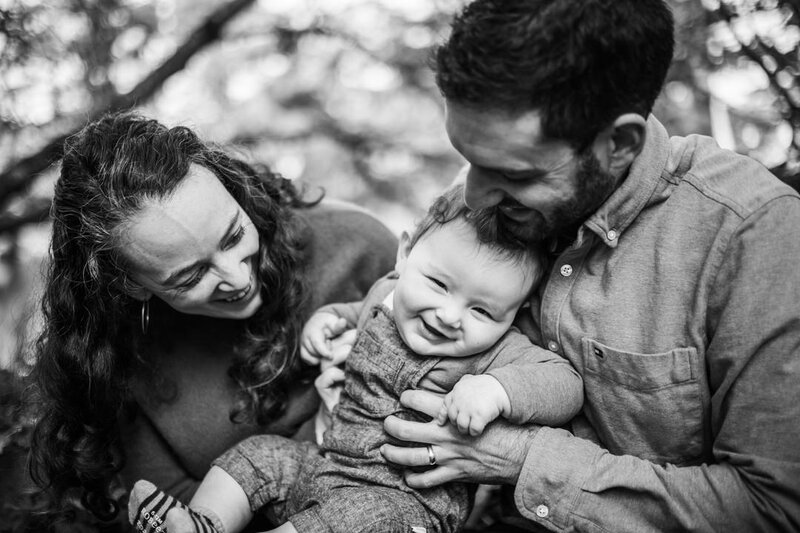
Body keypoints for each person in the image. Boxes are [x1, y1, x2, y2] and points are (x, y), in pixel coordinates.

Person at [378, 0, 800, 531]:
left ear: (618, 145)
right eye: (469, 159)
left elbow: (774, 507)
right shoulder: (493, 195)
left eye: (513, 173)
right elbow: (411, 291)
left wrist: (522, 459)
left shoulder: (752, 235)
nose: (474, 195)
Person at [126, 185, 584, 533]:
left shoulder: (500, 352)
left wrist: (497, 390)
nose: (448, 316)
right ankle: (205, 523)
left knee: (356, 517)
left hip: (405, 505)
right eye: (439, 285)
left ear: (515, 314)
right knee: (257, 456)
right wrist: (326, 321)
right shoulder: (386, 295)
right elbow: (355, 313)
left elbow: (565, 384)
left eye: (482, 310)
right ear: (404, 255)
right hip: (325, 465)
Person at [27, 112, 398, 528]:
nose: (238, 278)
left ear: (235, 191)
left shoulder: (359, 246)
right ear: (132, 285)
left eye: (235, 235)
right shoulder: (118, 359)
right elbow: (176, 510)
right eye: (191, 276)